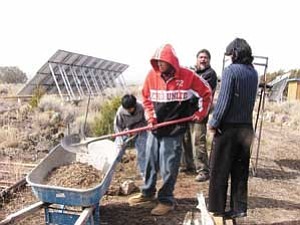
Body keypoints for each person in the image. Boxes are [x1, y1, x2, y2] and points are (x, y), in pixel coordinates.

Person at [128, 44, 212, 216]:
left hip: (174, 131)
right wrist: (151, 118)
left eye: (161, 61)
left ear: (171, 61)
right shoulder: (152, 76)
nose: (158, 64)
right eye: (156, 61)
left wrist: (201, 113)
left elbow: (206, 92)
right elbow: (146, 98)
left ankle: (166, 200)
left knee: (168, 166)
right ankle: (147, 193)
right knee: (150, 162)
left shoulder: (188, 76)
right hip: (155, 128)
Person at [207, 38, 258, 220]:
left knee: (220, 169)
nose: (230, 58)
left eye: (231, 55)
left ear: (235, 53)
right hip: (246, 128)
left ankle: (217, 208)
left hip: (228, 129)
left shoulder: (230, 71)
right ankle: (239, 208)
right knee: (240, 170)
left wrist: (213, 123)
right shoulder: (254, 73)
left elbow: (224, 101)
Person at [181, 49, 218, 182]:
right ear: (196, 59)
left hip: (200, 112)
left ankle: (203, 170)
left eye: (205, 57)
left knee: (198, 141)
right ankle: (188, 165)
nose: (203, 59)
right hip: (187, 112)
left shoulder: (210, 74)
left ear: (209, 60)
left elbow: (199, 90)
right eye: (200, 57)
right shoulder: (193, 73)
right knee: (185, 139)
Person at [114, 94, 148, 177]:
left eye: (130, 108)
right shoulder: (121, 111)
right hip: (127, 129)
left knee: (142, 150)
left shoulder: (141, 107)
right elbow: (118, 126)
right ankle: (113, 169)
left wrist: (139, 128)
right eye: (127, 109)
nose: (129, 110)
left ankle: (144, 173)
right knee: (118, 147)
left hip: (141, 129)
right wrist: (121, 138)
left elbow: (147, 120)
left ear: (134, 105)